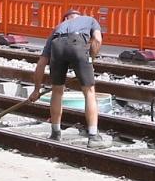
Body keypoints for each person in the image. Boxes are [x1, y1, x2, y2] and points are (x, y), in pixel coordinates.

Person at [29, 9, 110, 149]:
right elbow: (97, 39)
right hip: (77, 43)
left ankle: (55, 133)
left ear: (65, 19)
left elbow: (41, 62)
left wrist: (36, 90)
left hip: (57, 46)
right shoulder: (90, 20)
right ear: (78, 16)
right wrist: (90, 59)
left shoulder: (57, 29)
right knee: (89, 92)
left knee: (57, 91)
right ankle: (93, 136)